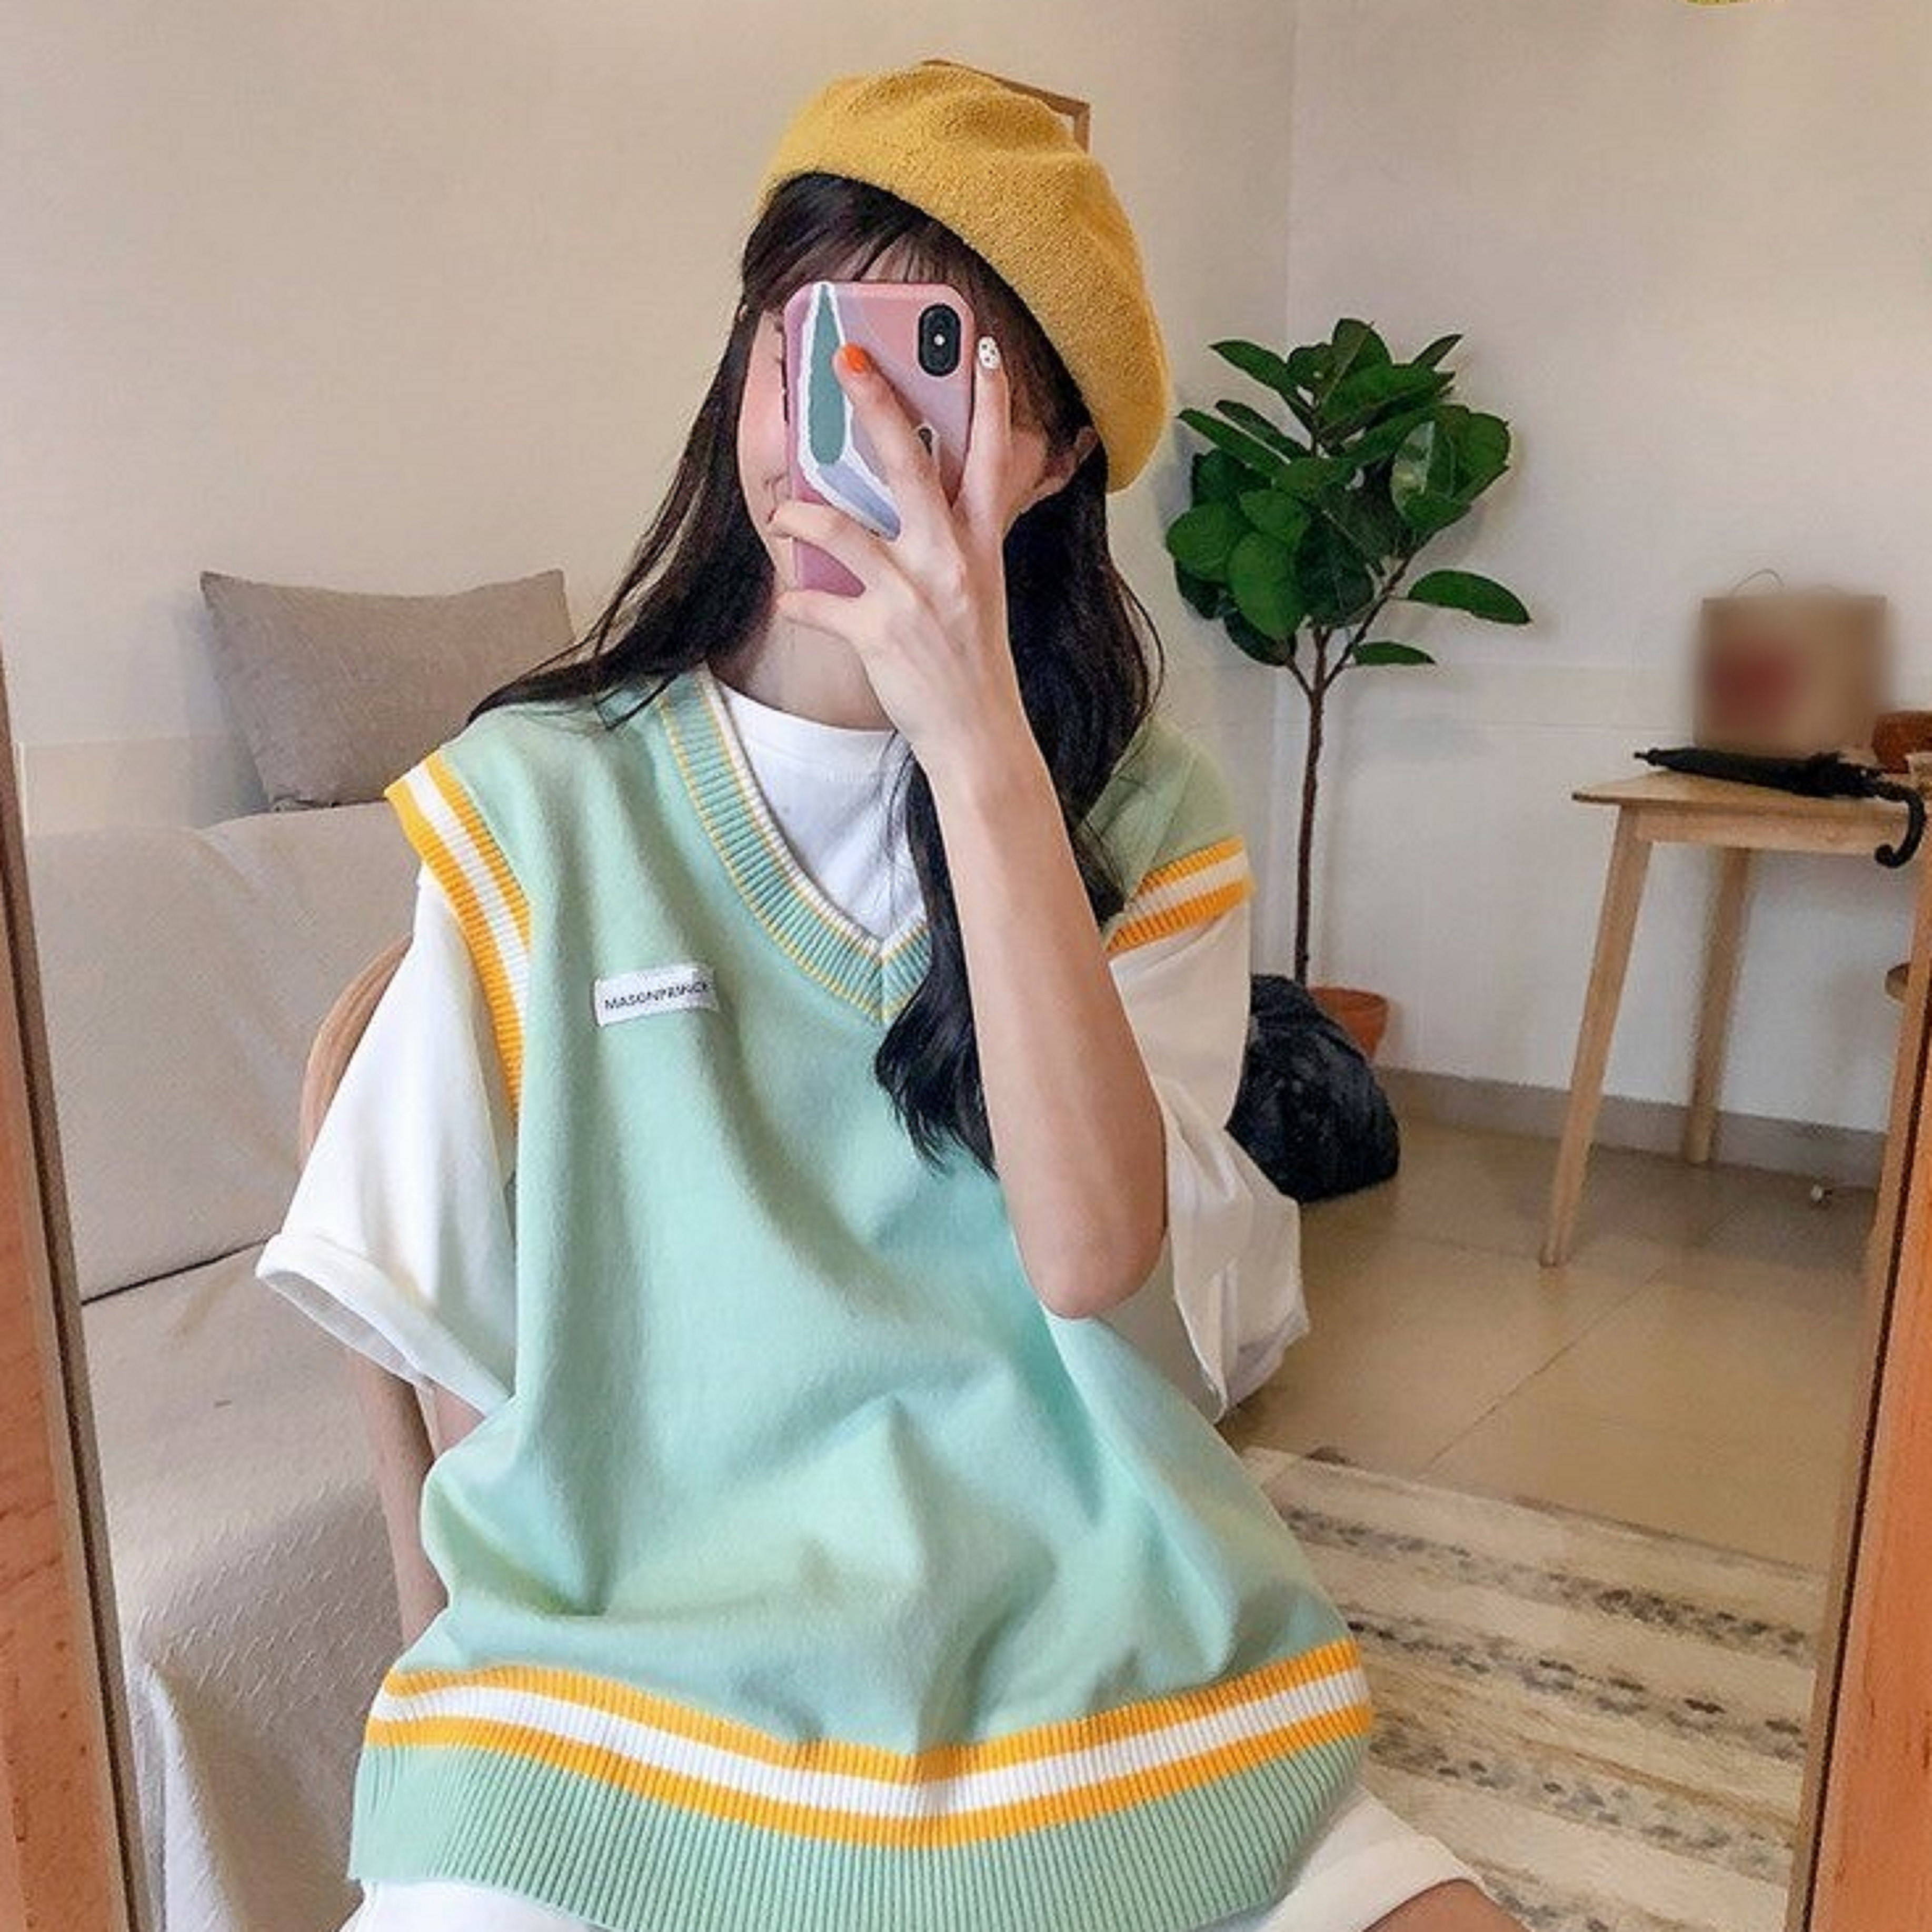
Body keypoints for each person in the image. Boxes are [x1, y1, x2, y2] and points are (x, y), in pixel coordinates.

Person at [257, 58, 1527, 1932]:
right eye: (800, 340)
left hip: (1096, 1647)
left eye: (924, 367)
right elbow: (472, 1396)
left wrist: (974, 735)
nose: (835, 422)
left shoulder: (1143, 819)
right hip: (636, 1689)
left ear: (1057, 453)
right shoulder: (540, 812)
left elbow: (1093, 1257)